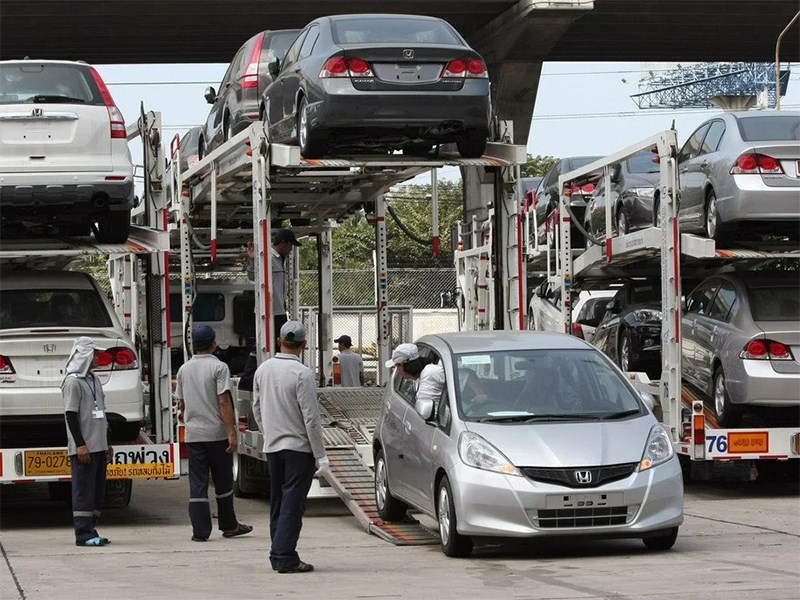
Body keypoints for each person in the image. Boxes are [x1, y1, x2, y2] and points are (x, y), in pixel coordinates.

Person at [252, 321, 328, 574]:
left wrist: (269, 432)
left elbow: (256, 407)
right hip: (298, 449)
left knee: (279, 501)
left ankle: (278, 552)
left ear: (279, 341)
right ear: (305, 344)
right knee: (293, 504)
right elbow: (311, 418)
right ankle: (284, 556)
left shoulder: (263, 370)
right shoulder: (302, 374)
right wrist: (321, 455)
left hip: (273, 448)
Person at [175, 325, 252, 542]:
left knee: (198, 483)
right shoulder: (219, 368)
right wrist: (232, 431)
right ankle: (229, 525)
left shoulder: (184, 369)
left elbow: (181, 404)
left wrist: (187, 418)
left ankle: (200, 531)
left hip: (194, 436)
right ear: (213, 343)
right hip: (216, 435)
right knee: (223, 481)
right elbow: (223, 400)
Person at [61, 336, 113, 547]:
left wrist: (107, 442)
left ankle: (91, 527)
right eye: (95, 354)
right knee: (84, 490)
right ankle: (82, 534)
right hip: (85, 447)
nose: (99, 358)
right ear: (85, 355)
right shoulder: (73, 382)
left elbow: (102, 412)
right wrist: (80, 444)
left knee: (97, 491)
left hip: (99, 446)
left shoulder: (93, 380)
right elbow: (71, 415)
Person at [246, 227, 302, 351]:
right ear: (283, 243)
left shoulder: (277, 258)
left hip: (277, 310)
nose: (291, 249)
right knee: (275, 346)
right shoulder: (268, 257)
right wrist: (253, 260)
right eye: (290, 245)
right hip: (271, 311)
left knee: (277, 345)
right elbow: (253, 277)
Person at [385, 343, 446, 417]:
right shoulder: (417, 380)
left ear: (404, 365)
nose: (397, 369)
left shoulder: (431, 372)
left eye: (397, 365)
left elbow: (458, 383)